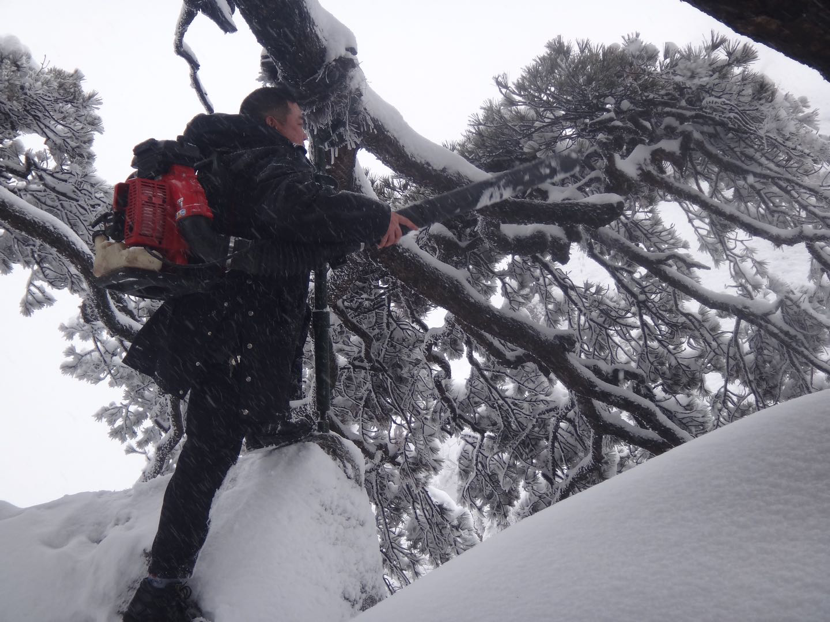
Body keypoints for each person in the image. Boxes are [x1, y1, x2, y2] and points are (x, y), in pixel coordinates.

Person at [121, 86, 417, 621]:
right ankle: (160, 589)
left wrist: (341, 236)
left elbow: (274, 232)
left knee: (227, 425)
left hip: (221, 319)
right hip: (241, 324)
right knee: (208, 452)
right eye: (299, 121)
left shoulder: (225, 157)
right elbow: (294, 207)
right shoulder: (268, 157)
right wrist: (371, 217)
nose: (305, 130)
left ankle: (265, 425)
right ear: (274, 122)